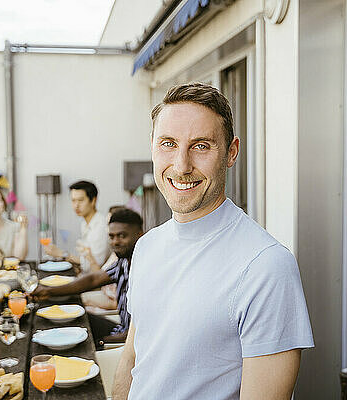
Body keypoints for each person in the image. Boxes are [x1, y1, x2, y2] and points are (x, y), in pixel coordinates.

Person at [113, 83, 314, 400]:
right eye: (168, 144)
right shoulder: (147, 246)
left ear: (231, 152)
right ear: (152, 146)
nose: (181, 166)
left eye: (201, 146)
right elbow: (132, 362)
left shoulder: (266, 266)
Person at [32, 208, 143, 346]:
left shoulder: (145, 271)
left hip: (127, 342)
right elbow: (93, 279)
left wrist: (98, 343)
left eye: (122, 236)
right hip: (120, 329)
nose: (115, 242)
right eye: (112, 236)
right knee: (71, 319)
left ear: (139, 235)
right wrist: (48, 291)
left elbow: (139, 333)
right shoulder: (124, 262)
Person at [44, 180, 110, 272]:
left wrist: (62, 254)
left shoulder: (101, 226)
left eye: (80, 200)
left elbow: (94, 264)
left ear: (93, 200)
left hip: (98, 281)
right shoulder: (85, 223)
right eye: (73, 200)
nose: (76, 205)